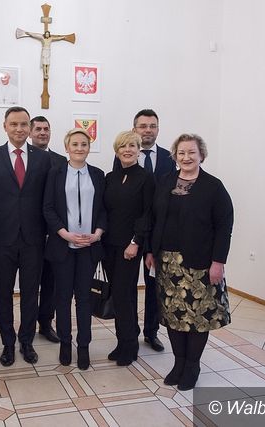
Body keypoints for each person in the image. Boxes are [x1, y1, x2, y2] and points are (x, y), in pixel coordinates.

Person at [145, 133, 233, 391]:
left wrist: (218, 262)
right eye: (181, 153)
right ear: (175, 156)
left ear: (201, 155)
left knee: (197, 317)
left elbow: (224, 227)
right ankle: (179, 363)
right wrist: (150, 251)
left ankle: (192, 366)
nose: (186, 157)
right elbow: (153, 218)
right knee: (173, 316)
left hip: (200, 263)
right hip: (167, 262)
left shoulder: (213, 187)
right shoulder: (165, 181)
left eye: (191, 152)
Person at [0, 107, 51, 366]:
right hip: (2, 240)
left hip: (33, 239)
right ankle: (8, 344)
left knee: (31, 294)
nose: (19, 129)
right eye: (14, 124)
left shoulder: (43, 159)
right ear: (5, 126)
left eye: (23, 124)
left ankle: (27, 341)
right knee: (4, 295)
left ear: (30, 128)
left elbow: (48, 200)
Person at [112, 109, 175, 352]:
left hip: (159, 234)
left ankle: (151, 332)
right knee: (126, 287)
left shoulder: (170, 158)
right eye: (143, 126)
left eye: (152, 126)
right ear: (134, 129)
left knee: (154, 285)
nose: (148, 130)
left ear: (158, 129)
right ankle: (130, 333)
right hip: (131, 235)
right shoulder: (124, 156)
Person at [43, 129, 106, 370]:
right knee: (62, 297)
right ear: (67, 147)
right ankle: (65, 343)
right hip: (63, 246)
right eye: (75, 144)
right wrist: (64, 233)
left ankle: (84, 346)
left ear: (89, 147)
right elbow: (48, 208)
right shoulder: (55, 173)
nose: (80, 148)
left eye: (84, 144)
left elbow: (103, 209)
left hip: (89, 247)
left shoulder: (98, 175)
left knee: (84, 298)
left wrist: (97, 234)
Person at [103, 131, 155, 366]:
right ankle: (123, 341)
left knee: (123, 295)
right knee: (119, 295)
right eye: (123, 146)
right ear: (117, 151)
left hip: (130, 247)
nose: (127, 150)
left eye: (132, 146)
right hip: (109, 246)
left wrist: (136, 242)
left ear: (138, 150)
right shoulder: (110, 177)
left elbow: (147, 214)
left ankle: (129, 345)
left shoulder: (146, 178)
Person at [30, 115, 66, 343]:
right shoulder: (24, 158)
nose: (43, 133)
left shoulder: (61, 161)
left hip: (55, 232)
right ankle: (27, 324)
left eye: (46, 129)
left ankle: (45, 323)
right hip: (30, 231)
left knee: (51, 282)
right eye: (38, 129)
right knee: (30, 282)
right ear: (30, 133)